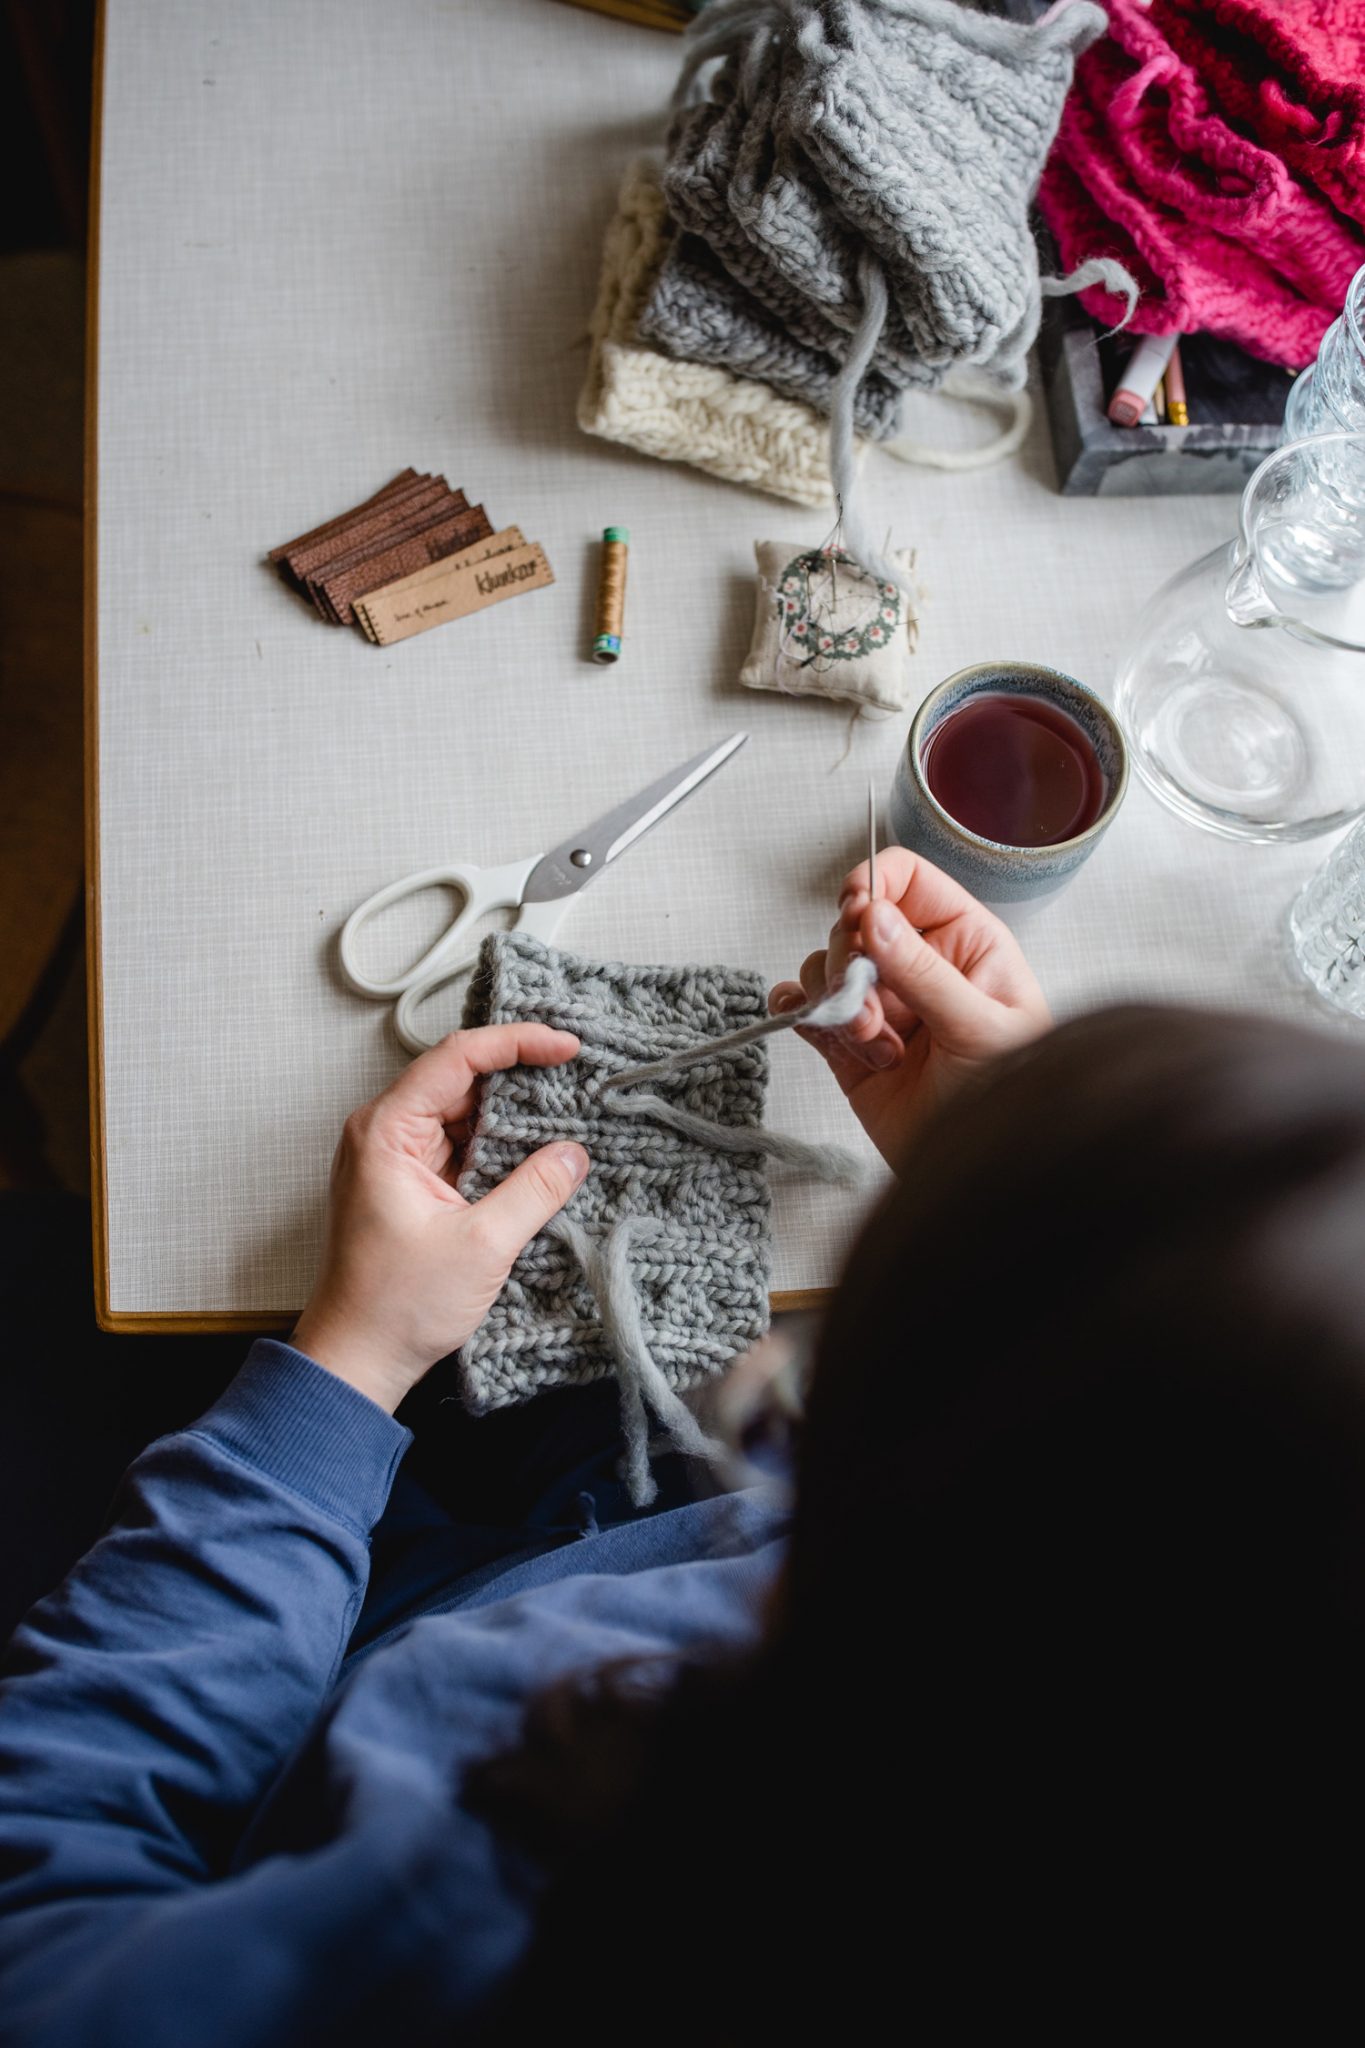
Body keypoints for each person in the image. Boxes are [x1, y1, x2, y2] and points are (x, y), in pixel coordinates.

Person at [1, 851, 1361, 2043]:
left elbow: (42, 1933)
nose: (772, 1390)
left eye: (811, 1398)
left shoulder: (486, 1905)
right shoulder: (1210, 1751)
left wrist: (344, 1368)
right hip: (575, 1539)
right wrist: (1025, 1189)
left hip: (301, 1684)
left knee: (49, 1288)